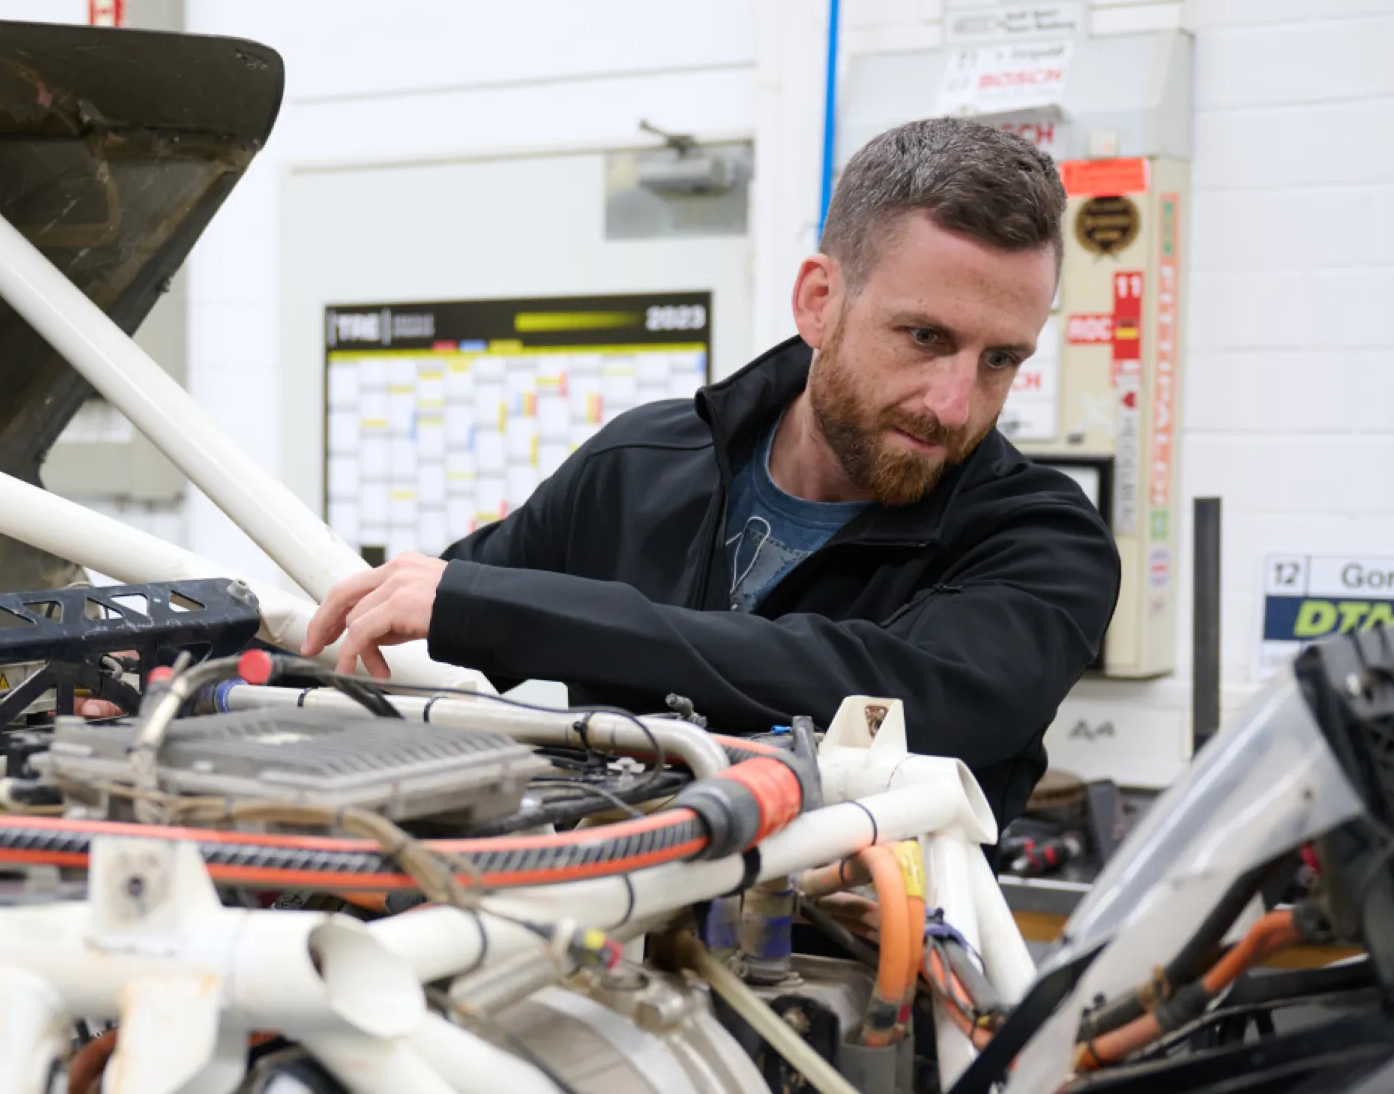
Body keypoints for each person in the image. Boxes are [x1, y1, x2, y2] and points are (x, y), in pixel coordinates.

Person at [303, 116, 1122, 829]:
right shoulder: (638, 467)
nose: (952, 404)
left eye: (1000, 359)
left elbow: (901, 695)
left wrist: (501, 610)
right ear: (817, 301)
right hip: (604, 941)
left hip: (855, 977)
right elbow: (421, 631)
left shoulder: (1042, 541)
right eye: (923, 338)